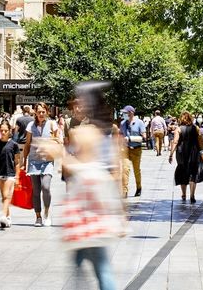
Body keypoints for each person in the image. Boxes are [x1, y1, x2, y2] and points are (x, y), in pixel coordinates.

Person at [62, 82, 126, 290]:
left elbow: (86, 169)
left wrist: (58, 154)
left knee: (100, 267)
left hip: (89, 208)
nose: (77, 104)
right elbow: (113, 170)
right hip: (94, 206)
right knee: (89, 263)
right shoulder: (103, 130)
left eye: (81, 99)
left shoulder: (87, 133)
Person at [23, 103, 59, 226]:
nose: (41, 114)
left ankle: (47, 213)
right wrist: (24, 161)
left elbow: (58, 141)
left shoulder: (52, 124)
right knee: (36, 191)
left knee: (46, 187)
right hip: (33, 160)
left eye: (43, 111)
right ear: (35, 112)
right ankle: (38, 217)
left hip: (47, 160)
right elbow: (27, 144)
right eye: (39, 112)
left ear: (47, 112)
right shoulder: (30, 126)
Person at [0, 119, 22, 228]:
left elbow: (17, 162)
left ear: (9, 131)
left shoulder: (14, 145)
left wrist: (17, 176)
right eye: (1, 130)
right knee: (3, 197)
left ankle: (3, 216)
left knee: (7, 195)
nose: (3, 133)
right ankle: (8, 217)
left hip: (10, 173)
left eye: (5, 131)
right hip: (0, 173)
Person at [170, 111, 203, 203]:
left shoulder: (178, 129)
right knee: (193, 173)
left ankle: (184, 194)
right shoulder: (196, 128)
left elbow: (175, 142)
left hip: (182, 153)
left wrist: (171, 154)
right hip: (194, 152)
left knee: (183, 172)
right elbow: (200, 139)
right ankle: (192, 195)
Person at [120, 106, 146, 197]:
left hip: (136, 149)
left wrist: (131, 138)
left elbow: (144, 137)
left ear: (131, 113)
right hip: (125, 149)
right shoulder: (122, 123)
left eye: (125, 113)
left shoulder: (139, 123)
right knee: (125, 169)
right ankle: (124, 191)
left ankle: (139, 187)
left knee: (136, 170)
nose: (124, 115)